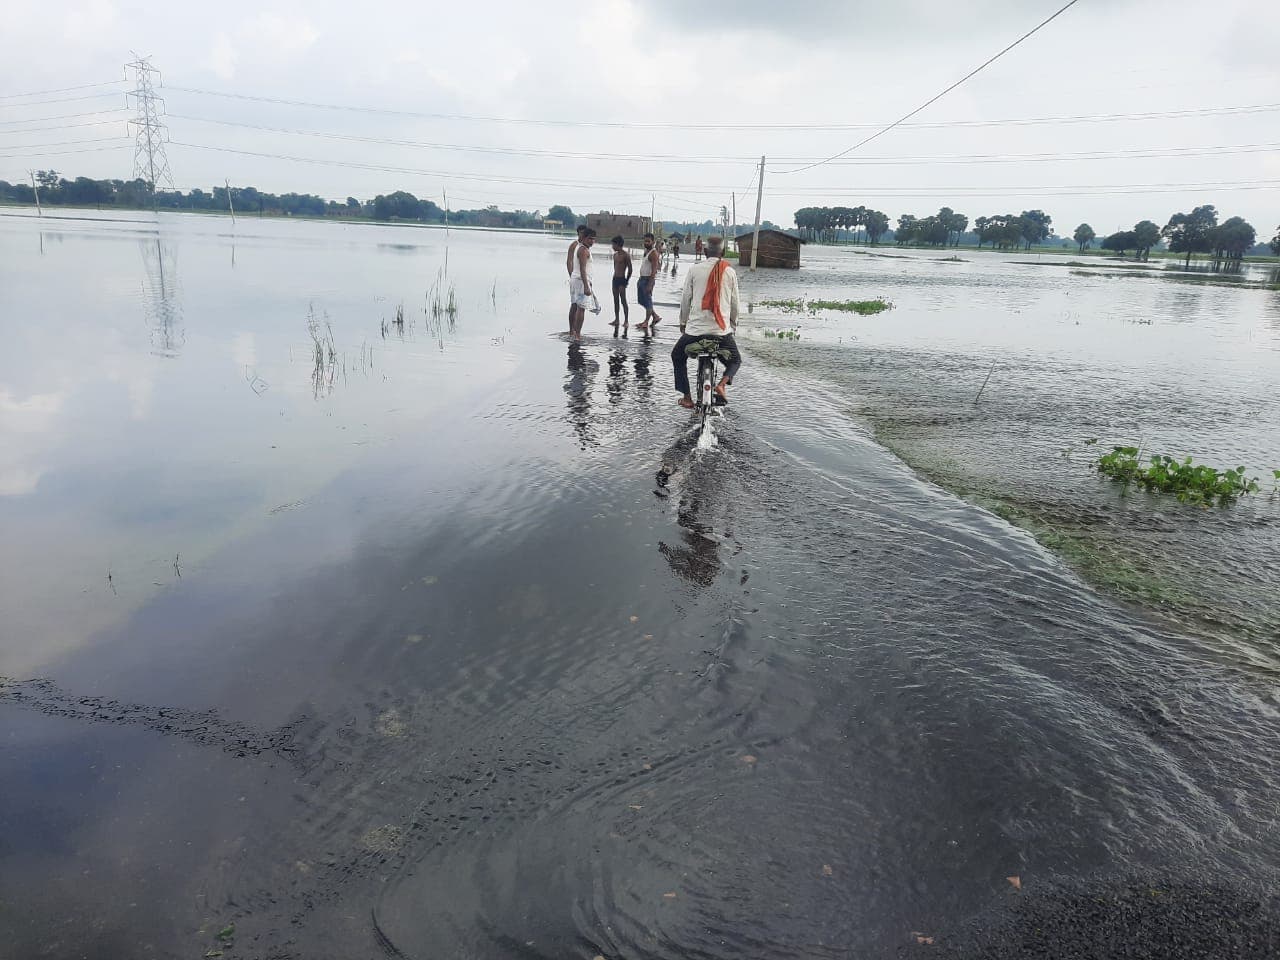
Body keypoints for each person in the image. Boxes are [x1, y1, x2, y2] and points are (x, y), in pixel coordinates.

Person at [674, 235, 741, 409]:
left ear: (704, 252)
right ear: (723, 252)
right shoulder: (730, 271)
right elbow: (735, 304)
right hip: (721, 333)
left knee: (677, 356)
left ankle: (687, 397)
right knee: (735, 361)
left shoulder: (694, 270)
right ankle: (721, 385)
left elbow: (686, 299)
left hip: (694, 332)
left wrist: (683, 323)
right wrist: (732, 325)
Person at [569, 228, 598, 341]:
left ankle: (573, 332)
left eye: (594, 239)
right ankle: (577, 335)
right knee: (581, 308)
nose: (592, 241)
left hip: (576, 280)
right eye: (590, 238)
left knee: (575, 305)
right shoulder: (583, 250)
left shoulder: (581, 248)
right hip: (581, 281)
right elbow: (582, 269)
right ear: (584, 238)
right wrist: (586, 286)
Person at [635, 233, 663, 332]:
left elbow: (654, 270)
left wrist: (650, 284)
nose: (646, 243)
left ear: (653, 242)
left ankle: (646, 321)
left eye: (648, 241)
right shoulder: (646, 251)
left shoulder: (653, 253)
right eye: (645, 241)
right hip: (642, 278)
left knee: (648, 300)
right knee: (641, 300)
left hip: (648, 280)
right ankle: (655, 316)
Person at [565, 224, 589, 332]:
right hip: (575, 279)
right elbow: (569, 261)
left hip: (583, 279)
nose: (583, 234)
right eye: (582, 232)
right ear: (578, 233)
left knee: (580, 306)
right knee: (574, 305)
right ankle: (571, 329)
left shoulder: (585, 246)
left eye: (585, 233)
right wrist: (572, 276)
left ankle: (576, 331)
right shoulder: (574, 245)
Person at [609, 235, 632, 327]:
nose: (612, 247)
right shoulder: (615, 255)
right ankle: (617, 319)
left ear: (618, 244)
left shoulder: (626, 255)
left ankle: (626, 320)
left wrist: (627, 280)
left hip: (622, 279)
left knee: (623, 300)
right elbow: (615, 268)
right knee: (615, 300)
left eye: (613, 245)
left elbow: (630, 269)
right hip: (615, 279)